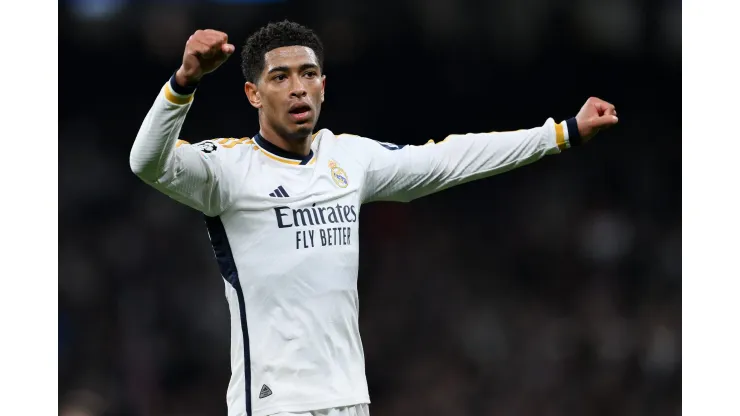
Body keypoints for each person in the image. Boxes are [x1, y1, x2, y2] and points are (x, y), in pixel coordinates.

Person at [129, 20, 618, 416]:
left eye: (308, 73)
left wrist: (562, 132)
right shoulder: (228, 170)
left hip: (350, 398)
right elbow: (146, 162)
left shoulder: (349, 158)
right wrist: (184, 83)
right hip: (277, 404)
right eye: (280, 77)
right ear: (253, 95)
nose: (298, 88)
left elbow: (448, 159)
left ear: (324, 84)